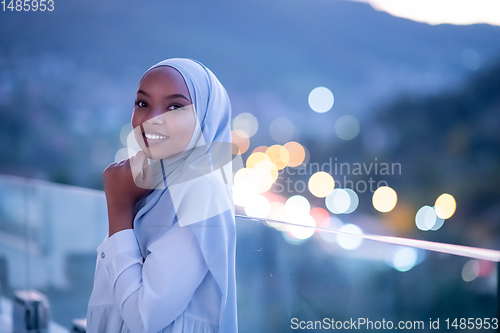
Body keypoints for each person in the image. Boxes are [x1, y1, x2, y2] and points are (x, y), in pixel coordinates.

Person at [86, 58, 238, 333]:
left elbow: (144, 319)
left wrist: (119, 206)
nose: (153, 120)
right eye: (143, 103)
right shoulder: (154, 182)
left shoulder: (202, 189)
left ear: (205, 115)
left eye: (175, 106)